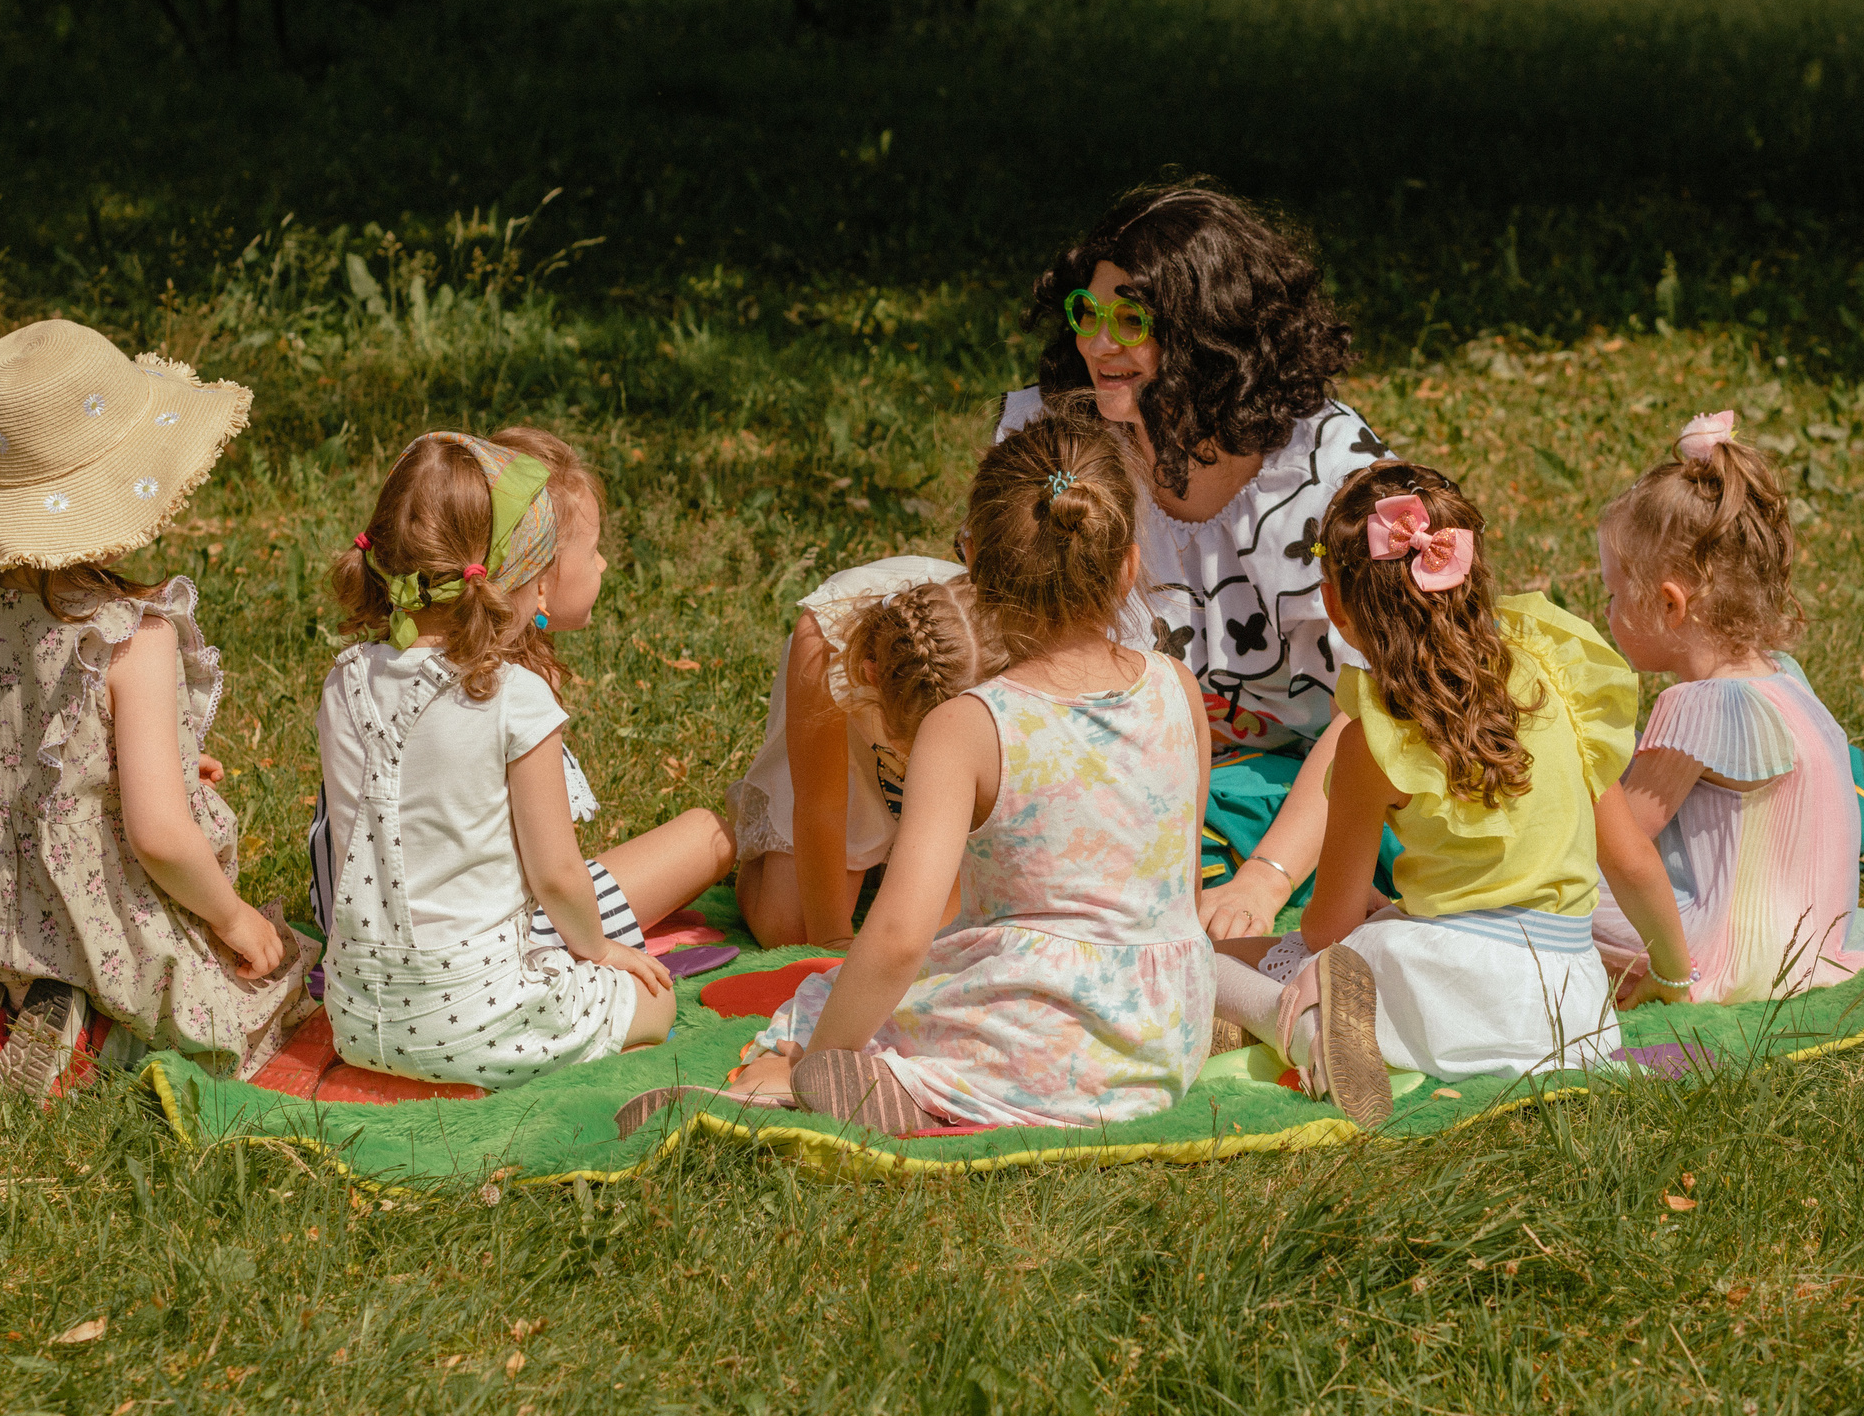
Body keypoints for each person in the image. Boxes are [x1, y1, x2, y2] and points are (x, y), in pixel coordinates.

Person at [721, 400, 1218, 1133]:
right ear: (1128, 566)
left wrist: (815, 1065)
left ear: (974, 565)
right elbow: (1180, 884)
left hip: (1036, 1045)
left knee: (830, 996)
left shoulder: (970, 724)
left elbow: (896, 937)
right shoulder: (1177, 686)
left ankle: (888, 1084)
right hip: (1168, 1035)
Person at [1209, 461, 1695, 1128]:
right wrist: (1673, 978)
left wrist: (1368, 918)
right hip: (1572, 1010)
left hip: (1444, 993)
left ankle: (1302, 1032)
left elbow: (1328, 929)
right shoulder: (1554, 675)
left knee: (1209, 960)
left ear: (1334, 603)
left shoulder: (1374, 735)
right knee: (1376, 938)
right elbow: (1632, 860)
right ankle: (1258, 1021)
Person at [0, 319, 318, 1096]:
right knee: (278, 981)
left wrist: (159, 752)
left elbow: (30, 749)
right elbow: (158, 836)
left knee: (26, 952)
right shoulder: (131, 634)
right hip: (101, 921)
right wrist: (235, 919)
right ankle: (92, 1020)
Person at [1001, 178, 1398, 945]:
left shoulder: (1328, 476)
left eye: (1130, 319)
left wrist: (1267, 876)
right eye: (1088, 312)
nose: (1097, 343)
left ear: (1208, 333)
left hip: (1310, 771)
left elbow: (1369, 712)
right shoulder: (1056, 443)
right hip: (1119, 759)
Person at [313, 430, 689, 1091]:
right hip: (472, 1019)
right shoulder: (514, 695)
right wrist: (600, 952)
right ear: (513, 574)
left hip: (356, 1018)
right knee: (659, 999)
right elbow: (558, 874)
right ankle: (534, 1060)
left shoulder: (343, 680)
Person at [1591, 412, 1864, 1002]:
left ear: (1669, 605)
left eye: (1613, 594)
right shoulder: (1783, 676)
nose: (1606, 613)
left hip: (1738, 955)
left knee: (1547, 903)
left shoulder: (1695, 705)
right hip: (1814, 941)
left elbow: (1615, 842)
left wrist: (1570, 746)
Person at [727, 556, 984, 949]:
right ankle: (758, 820)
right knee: (786, 930)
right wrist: (831, 942)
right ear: (871, 677)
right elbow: (821, 805)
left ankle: (890, 855)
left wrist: (940, 932)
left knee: (953, 932)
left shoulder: (993, 659)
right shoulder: (824, 645)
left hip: (960, 789)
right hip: (846, 758)